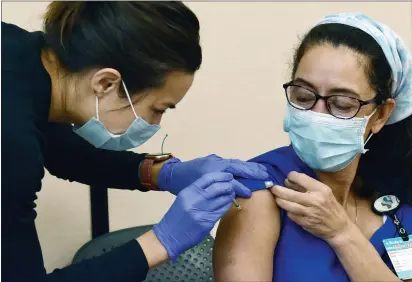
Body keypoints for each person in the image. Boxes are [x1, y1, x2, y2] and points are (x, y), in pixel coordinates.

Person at [2, 2, 270, 282]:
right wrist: (161, 241)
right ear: (106, 83)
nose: (155, 124)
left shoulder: (18, 59)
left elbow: (60, 151)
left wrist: (160, 173)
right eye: (158, 109)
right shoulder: (9, 141)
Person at [213, 12, 412, 282]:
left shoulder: (395, 195)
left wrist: (341, 233)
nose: (317, 115)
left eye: (342, 104)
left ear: (380, 115)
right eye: (303, 96)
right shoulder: (260, 191)